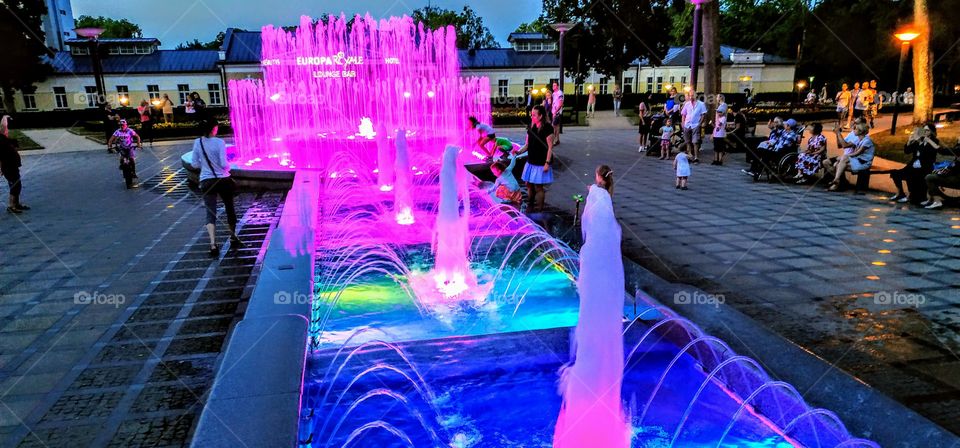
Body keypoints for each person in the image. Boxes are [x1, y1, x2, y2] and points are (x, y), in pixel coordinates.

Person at [191, 120, 242, 255]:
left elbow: (195, 164)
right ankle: (233, 236)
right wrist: (229, 165)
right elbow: (224, 164)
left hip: (206, 181)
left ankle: (213, 244)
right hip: (223, 180)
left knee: (210, 212)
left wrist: (206, 167)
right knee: (229, 208)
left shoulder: (198, 142)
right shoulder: (219, 142)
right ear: (214, 128)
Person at [513, 105, 554, 213]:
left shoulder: (548, 128)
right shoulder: (531, 127)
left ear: (540, 116)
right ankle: (530, 204)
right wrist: (518, 152)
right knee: (528, 184)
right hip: (531, 160)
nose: (532, 116)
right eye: (532, 114)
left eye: (534, 115)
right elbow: (527, 144)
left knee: (538, 186)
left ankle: (539, 208)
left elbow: (550, 147)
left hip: (541, 162)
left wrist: (547, 163)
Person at [889, 124, 940, 204]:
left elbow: (928, 154)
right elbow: (907, 151)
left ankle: (910, 195)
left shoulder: (934, 141)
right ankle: (900, 193)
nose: (925, 132)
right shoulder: (919, 141)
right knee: (895, 173)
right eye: (924, 130)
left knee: (911, 175)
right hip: (913, 166)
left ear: (931, 132)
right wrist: (909, 141)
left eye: (927, 130)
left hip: (924, 167)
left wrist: (924, 142)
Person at [826, 122, 874, 191]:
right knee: (837, 164)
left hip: (864, 163)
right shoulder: (859, 139)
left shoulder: (867, 141)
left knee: (841, 160)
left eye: (855, 129)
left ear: (860, 131)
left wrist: (844, 156)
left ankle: (837, 180)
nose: (853, 130)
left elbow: (857, 153)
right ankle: (838, 181)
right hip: (857, 161)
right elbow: (840, 146)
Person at [0, 116, 28, 213]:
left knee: (17, 185)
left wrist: (5, 118)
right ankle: (11, 206)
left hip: (13, 166)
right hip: (8, 167)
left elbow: (4, 128)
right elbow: (3, 127)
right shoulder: (1, 140)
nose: (7, 131)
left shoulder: (4, 138)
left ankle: (16, 204)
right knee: (14, 185)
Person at [107, 119, 142, 189]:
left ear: (126, 125)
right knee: (121, 159)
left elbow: (137, 136)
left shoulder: (130, 130)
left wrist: (138, 144)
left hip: (129, 147)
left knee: (132, 159)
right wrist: (110, 146)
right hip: (122, 148)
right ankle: (122, 167)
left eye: (123, 125)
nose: (122, 126)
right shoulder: (117, 131)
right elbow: (111, 140)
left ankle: (134, 172)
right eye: (120, 125)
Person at [680, 93, 707, 164]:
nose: (691, 97)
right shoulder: (687, 104)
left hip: (695, 124)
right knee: (687, 141)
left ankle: (696, 157)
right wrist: (683, 123)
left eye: (692, 95)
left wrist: (699, 123)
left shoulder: (701, 104)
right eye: (690, 95)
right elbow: (683, 114)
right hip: (687, 124)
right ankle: (689, 156)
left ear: (696, 96)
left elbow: (703, 114)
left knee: (695, 141)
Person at [711, 99, 728, 165]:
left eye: (719, 112)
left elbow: (719, 125)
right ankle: (715, 159)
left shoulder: (723, 118)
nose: (718, 113)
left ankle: (720, 160)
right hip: (716, 135)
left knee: (720, 149)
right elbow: (715, 126)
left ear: (723, 113)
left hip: (720, 135)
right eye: (717, 112)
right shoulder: (718, 118)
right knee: (716, 148)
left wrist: (716, 127)